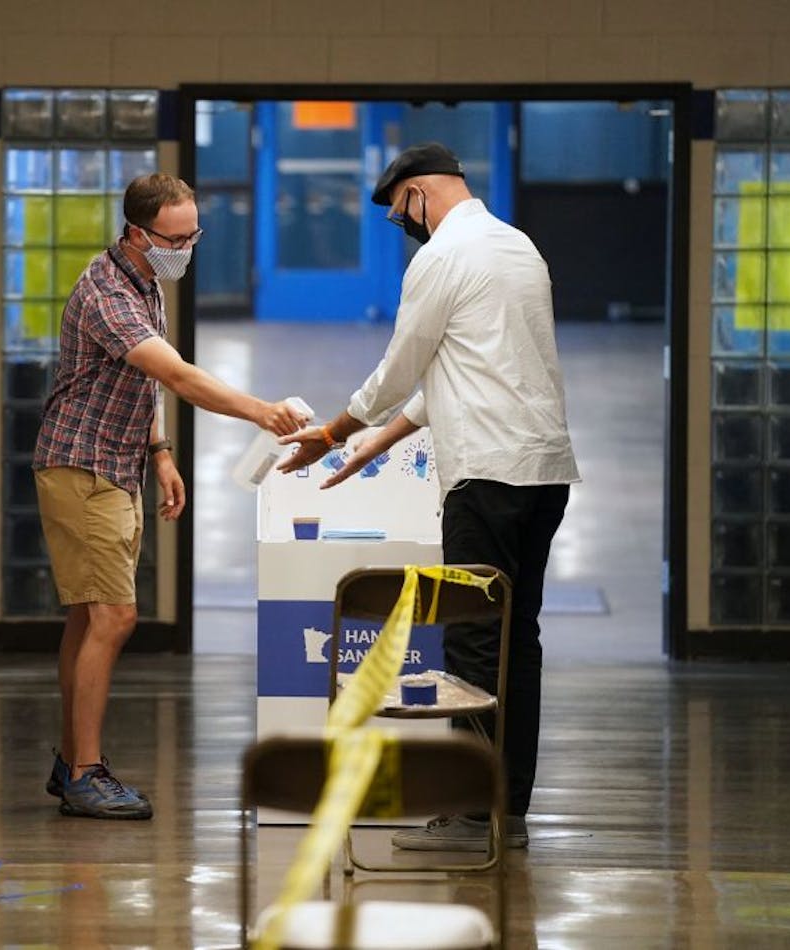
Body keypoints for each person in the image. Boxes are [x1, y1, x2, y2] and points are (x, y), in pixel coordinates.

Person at [276, 143, 580, 850]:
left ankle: (472, 815)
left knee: (473, 640)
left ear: (416, 194)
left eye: (397, 214)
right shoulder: (517, 246)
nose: (402, 228)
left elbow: (399, 367)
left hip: (486, 477)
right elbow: (468, 370)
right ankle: (505, 810)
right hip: (542, 471)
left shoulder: (441, 258)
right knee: (515, 641)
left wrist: (334, 430)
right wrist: (373, 444)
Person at [34, 172, 306, 821]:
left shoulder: (143, 280)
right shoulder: (107, 293)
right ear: (137, 233)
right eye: (174, 238)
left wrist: (158, 453)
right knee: (114, 617)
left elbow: (139, 381)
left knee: (87, 615)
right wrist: (259, 411)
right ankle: (85, 774)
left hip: (115, 464)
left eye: (192, 236)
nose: (185, 248)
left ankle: (71, 760)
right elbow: (176, 374)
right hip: (83, 466)